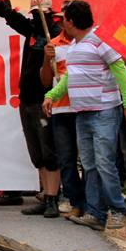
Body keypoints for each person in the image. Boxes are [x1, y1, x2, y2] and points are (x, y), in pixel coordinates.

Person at [43, 0, 126, 230]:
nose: (61, 23)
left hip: (104, 111)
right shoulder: (73, 46)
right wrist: (52, 94)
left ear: (71, 22)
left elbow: (119, 68)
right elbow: (70, 77)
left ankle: (118, 210)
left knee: (104, 163)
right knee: (91, 165)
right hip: (82, 113)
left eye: (63, 19)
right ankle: (96, 213)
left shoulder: (100, 40)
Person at [0, 0, 61, 209]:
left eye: (40, 13)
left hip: (44, 99)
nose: (37, 17)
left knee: (48, 151)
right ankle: (46, 196)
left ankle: (54, 197)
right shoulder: (32, 31)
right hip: (26, 98)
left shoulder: (57, 35)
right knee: (36, 152)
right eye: (34, 12)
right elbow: (9, 16)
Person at [40, 20, 83, 219]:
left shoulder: (87, 42)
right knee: (66, 159)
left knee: (89, 161)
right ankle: (74, 202)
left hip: (84, 107)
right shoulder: (53, 44)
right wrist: (46, 60)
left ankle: (91, 204)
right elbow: (46, 80)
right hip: (61, 109)